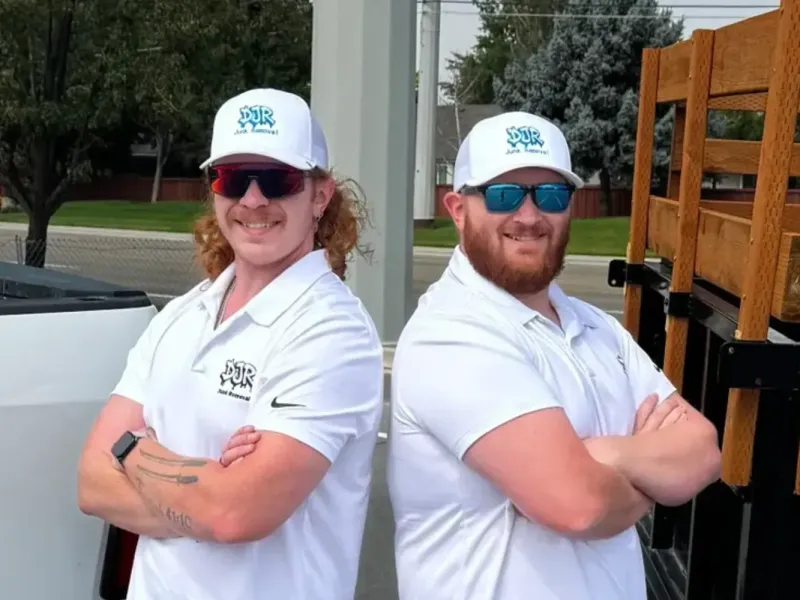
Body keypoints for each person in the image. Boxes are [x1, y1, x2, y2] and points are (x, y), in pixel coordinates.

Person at [386, 111, 722, 600]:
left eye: (550, 195)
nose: (529, 216)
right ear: (457, 209)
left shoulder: (598, 327)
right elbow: (579, 506)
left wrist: (603, 455)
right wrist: (651, 479)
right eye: (503, 195)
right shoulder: (449, 333)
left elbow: (703, 449)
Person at [77, 87, 384, 600]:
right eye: (233, 178)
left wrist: (132, 450)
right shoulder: (181, 315)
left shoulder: (333, 331)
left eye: (278, 179)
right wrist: (207, 490)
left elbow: (236, 513)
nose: (253, 200)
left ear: (320, 195)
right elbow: (91, 483)